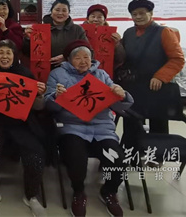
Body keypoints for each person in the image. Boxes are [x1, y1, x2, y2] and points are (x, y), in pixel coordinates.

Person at [44, 40, 133, 217]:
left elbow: (117, 105)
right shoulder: (57, 74)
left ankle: (109, 191)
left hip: (101, 128)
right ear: (69, 60)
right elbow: (48, 105)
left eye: (86, 57)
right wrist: (56, 97)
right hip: (72, 126)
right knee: (76, 158)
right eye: (78, 58)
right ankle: (78, 192)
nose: (83, 61)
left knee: (119, 160)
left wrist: (122, 96)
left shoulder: (101, 74)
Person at [0, 40, 47, 216]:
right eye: (1, 52)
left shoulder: (25, 74)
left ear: (14, 56)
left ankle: (32, 196)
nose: (4, 56)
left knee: (36, 156)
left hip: (22, 124)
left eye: (8, 53)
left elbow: (38, 107)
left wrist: (39, 96)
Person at [120, 0, 185, 138]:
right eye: (134, 14)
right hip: (133, 85)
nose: (138, 17)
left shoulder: (164, 32)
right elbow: (123, 57)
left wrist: (160, 77)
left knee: (158, 123)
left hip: (156, 85)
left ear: (151, 13)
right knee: (132, 120)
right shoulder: (128, 33)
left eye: (142, 13)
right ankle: (133, 148)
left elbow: (177, 59)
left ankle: (157, 150)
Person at [24, 0, 87, 71]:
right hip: (46, 70)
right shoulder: (40, 29)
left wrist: (67, 57)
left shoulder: (77, 30)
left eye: (64, 10)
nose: (60, 13)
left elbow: (87, 50)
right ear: (51, 12)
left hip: (72, 70)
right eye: (57, 10)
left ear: (68, 13)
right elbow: (28, 53)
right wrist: (28, 38)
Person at [83, 4, 126, 69]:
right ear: (87, 18)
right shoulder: (79, 32)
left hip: (104, 70)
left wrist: (117, 44)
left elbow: (120, 59)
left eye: (99, 17)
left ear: (104, 20)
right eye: (93, 16)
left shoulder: (113, 35)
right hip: (83, 69)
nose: (95, 19)